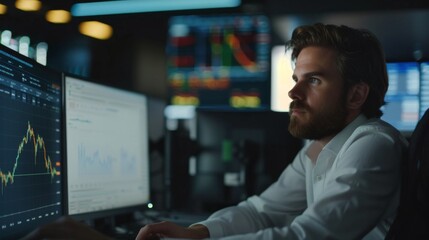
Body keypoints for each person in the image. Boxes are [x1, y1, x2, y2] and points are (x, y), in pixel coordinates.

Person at [22, 23, 407, 240]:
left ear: (357, 94)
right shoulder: (318, 150)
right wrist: (199, 233)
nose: (293, 92)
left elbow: (308, 237)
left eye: (315, 81)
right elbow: (261, 212)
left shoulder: (371, 145)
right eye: (296, 79)